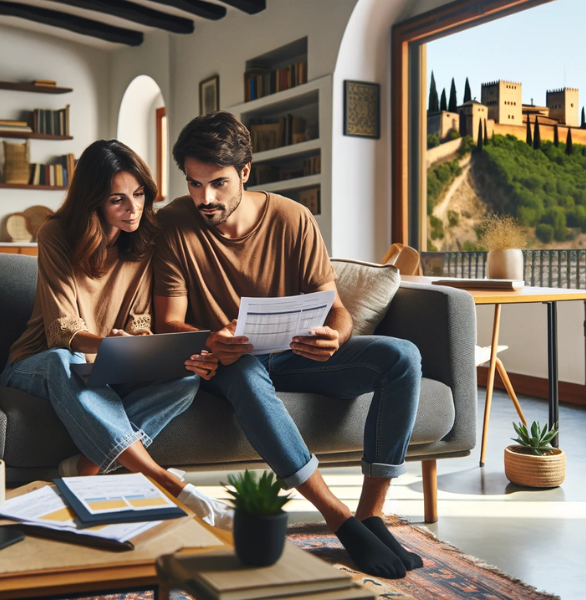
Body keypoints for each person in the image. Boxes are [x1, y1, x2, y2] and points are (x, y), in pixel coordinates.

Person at [153, 111, 424, 578]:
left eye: (217, 183)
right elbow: (168, 321)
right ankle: (340, 519)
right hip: (229, 362)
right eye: (194, 184)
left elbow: (336, 308)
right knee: (241, 370)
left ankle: (371, 515)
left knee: (402, 356)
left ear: (244, 172)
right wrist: (209, 338)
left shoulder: (293, 219)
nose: (205, 198)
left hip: (294, 354)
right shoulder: (173, 223)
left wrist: (334, 337)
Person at [1, 139, 232, 530]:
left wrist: (138, 344)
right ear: (94, 201)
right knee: (65, 361)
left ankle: (86, 466)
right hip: (39, 362)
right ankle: (168, 482)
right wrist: (110, 344)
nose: (133, 208)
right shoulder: (56, 234)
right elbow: (62, 329)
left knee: (187, 374)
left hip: (108, 365)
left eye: (139, 194)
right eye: (117, 200)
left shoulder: (145, 238)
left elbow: (140, 319)